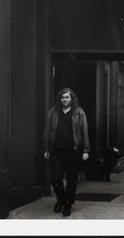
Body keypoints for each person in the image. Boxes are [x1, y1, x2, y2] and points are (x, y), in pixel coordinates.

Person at [43, 87, 90, 217]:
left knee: (71, 180)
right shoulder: (53, 112)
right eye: (63, 97)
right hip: (56, 151)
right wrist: (46, 148)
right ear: (60, 99)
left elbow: (84, 132)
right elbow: (47, 131)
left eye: (67, 97)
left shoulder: (79, 112)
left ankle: (68, 204)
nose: (64, 100)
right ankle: (61, 199)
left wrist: (86, 150)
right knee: (56, 178)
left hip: (73, 151)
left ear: (72, 99)